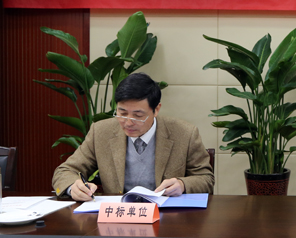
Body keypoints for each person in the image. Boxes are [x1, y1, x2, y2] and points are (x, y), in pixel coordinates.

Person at [52, 73, 214, 201]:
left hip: (168, 217)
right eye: (122, 113)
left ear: (156, 109)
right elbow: (65, 171)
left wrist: (182, 184)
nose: (128, 122)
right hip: (117, 217)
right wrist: (73, 187)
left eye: (138, 115)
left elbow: (206, 179)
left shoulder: (185, 133)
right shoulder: (101, 132)